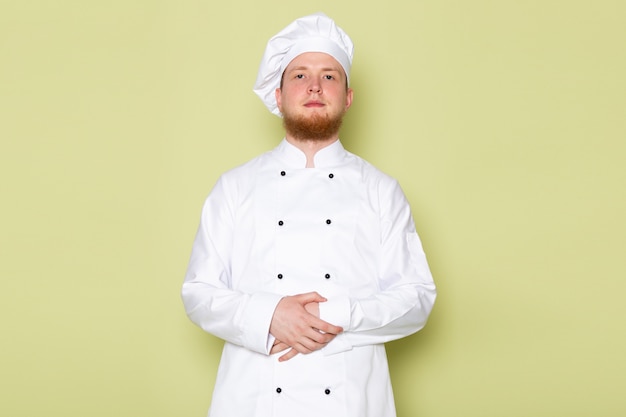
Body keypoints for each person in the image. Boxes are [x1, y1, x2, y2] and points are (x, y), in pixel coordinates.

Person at [182, 12, 437, 417]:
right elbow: (198, 293)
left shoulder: (381, 191)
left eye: (329, 76)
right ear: (279, 95)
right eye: (299, 75)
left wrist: (332, 314)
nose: (315, 86)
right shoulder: (234, 187)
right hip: (253, 401)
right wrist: (269, 315)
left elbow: (417, 299)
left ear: (348, 97)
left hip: (352, 403)